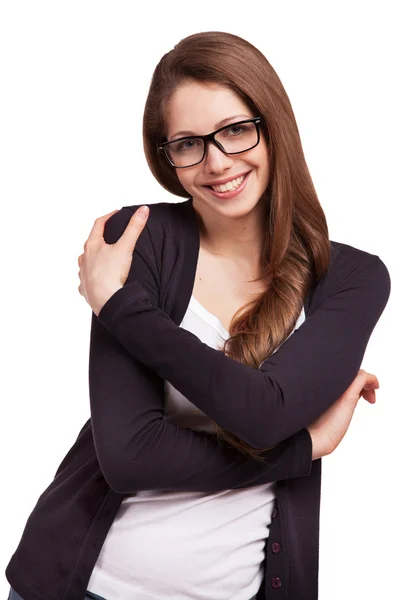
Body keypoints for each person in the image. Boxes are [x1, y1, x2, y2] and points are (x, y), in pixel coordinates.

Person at [6, 31, 390, 600]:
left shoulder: (352, 278)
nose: (216, 163)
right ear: (167, 156)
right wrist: (301, 450)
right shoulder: (137, 243)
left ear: (272, 124)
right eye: (188, 143)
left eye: (236, 130)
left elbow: (262, 415)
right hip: (81, 586)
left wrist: (119, 308)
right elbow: (131, 457)